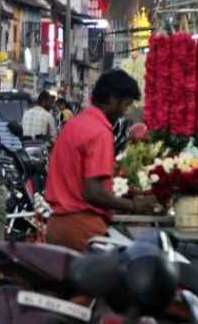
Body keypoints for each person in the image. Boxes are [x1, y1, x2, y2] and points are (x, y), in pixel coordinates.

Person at [44, 70, 157, 252]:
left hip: (57, 227)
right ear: (112, 99)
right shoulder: (100, 131)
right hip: (82, 229)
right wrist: (133, 205)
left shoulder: (76, 124)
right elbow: (93, 192)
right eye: (125, 105)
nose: (124, 112)